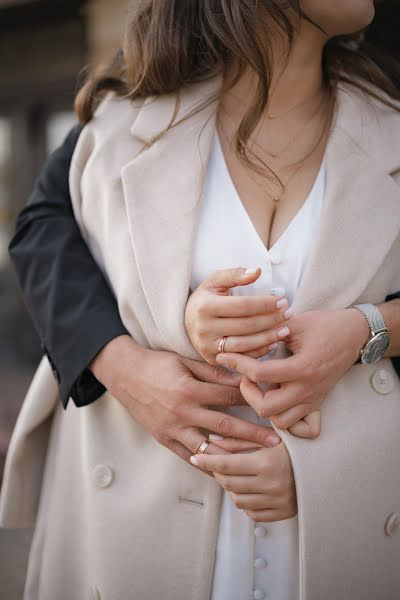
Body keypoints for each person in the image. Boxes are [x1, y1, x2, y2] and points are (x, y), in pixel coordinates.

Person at [1, 1, 400, 599]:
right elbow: (42, 234)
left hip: (346, 540)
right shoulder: (118, 131)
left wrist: (372, 330)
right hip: (136, 524)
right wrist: (132, 357)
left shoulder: (390, 129)